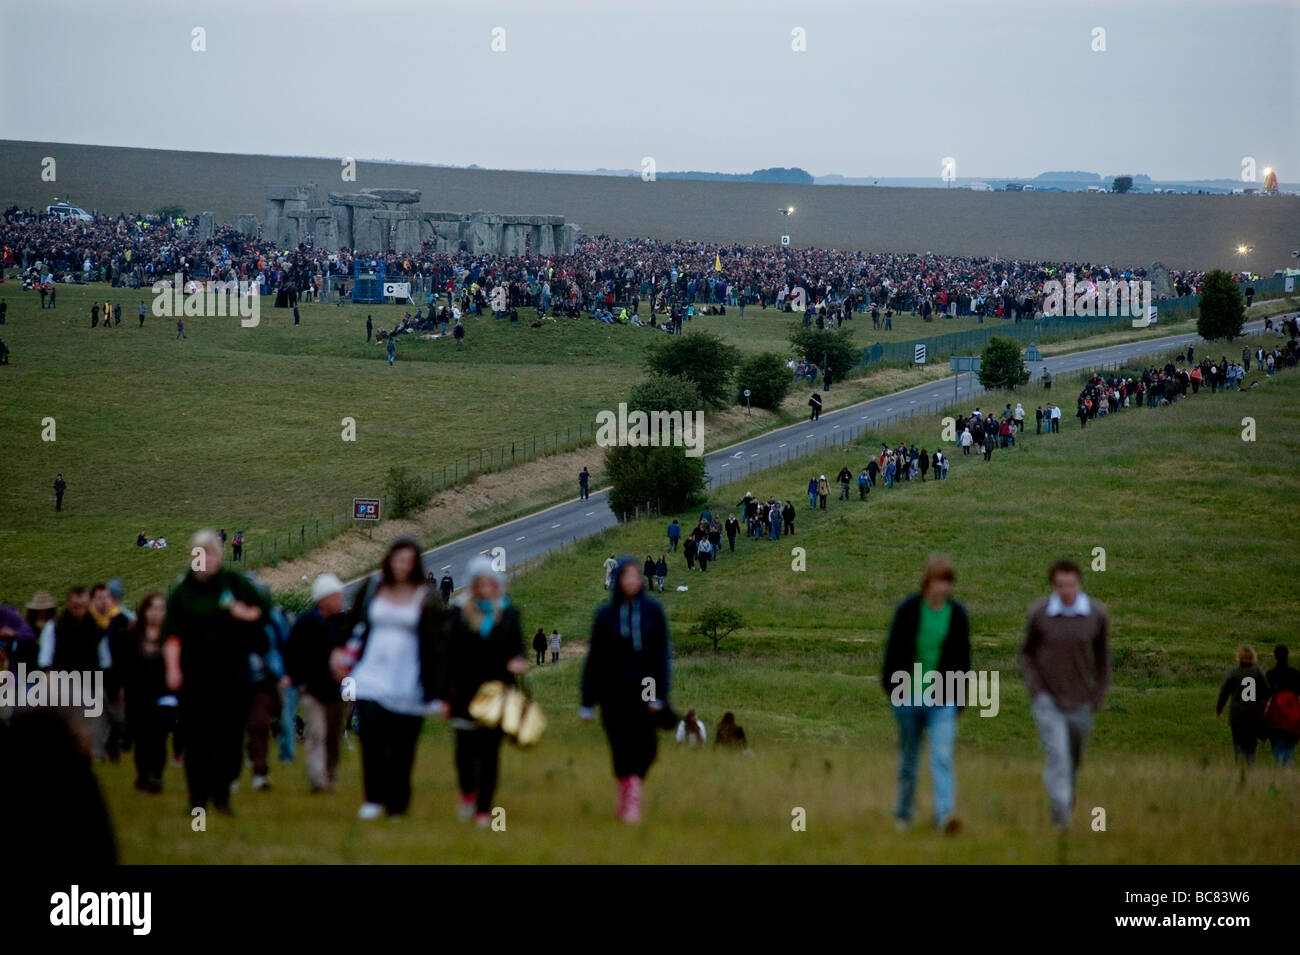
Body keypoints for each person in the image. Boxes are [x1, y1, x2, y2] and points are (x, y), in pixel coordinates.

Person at [334, 537, 445, 819]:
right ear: (389, 561)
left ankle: (398, 802)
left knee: (402, 745)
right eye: (398, 559)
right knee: (370, 737)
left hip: (409, 681)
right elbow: (352, 624)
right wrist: (341, 654)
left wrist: (439, 687)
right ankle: (372, 798)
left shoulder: (426, 596)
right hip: (370, 676)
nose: (402, 566)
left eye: (408, 560)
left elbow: (437, 641)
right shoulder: (373, 589)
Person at [163, 530, 271, 816]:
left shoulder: (233, 584)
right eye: (200, 554)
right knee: (198, 739)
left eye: (211, 554)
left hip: (233, 674)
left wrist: (244, 614)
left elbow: (263, 608)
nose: (205, 560)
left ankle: (222, 795)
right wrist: (173, 669)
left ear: (219, 557)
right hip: (195, 676)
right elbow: (171, 635)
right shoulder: (182, 591)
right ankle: (197, 800)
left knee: (230, 737)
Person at [580, 557, 674, 823]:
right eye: (626, 577)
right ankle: (629, 792)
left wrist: (658, 694)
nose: (631, 581)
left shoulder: (653, 612)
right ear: (619, 581)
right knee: (620, 744)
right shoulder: (605, 616)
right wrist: (587, 701)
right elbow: (594, 660)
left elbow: (660, 656)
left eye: (635, 577)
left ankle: (632, 781)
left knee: (647, 747)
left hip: (645, 687)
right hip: (613, 690)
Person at [1019, 559, 1110, 831]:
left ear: (1079, 583)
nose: (1065, 589)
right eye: (1060, 584)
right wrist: (1036, 690)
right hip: (1048, 700)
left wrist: (1097, 696)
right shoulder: (1040, 613)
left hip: (1082, 701)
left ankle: (1063, 803)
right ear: (1053, 585)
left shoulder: (1095, 614)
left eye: (1070, 584)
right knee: (1058, 757)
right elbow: (1026, 653)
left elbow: (1104, 659)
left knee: (1072, 761)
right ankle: (1061, 821)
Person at [881, 556, 970, 833]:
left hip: (943, 697)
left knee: (942, 756)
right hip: (907, 695)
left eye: (947, 582)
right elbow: (893, 650)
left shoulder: (957, 614)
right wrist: (892, 689)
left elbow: (963, 658)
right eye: (937, 581)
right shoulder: (908, 609)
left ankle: (945, 816)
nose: (942, 588)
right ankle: (904, 814)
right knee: (909, 758)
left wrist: (961, 697)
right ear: (926, 581)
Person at [437, 555, 527, 826]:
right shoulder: (458, 612)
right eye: (480, 583)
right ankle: (467, 793)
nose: (485, 588)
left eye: (490, 582)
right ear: (473, 585)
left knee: (490, 754)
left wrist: (518, 661)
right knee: (465, 752)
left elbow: (518, 647)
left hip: (498, 693)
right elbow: (447, 656)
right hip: (464, 693)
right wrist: (444, 697)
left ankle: (483, 810)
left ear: (497, 584)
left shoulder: (509, 612)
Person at [284, 573, 349, 793]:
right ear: (323, 599)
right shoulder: (306, 624)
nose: (340, 600)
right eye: (336, 596)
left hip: (339, 692)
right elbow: (291, 652)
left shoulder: (344, 624)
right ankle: (317, 779)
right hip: (312, 690)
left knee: (333, 736)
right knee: (317, 733)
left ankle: (329, 774)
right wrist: (294, 679)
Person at [121, 593, 175, 794]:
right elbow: (123, 666)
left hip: (164, 695)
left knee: (159, 737)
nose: (156, 613)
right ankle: (143, 775)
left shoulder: (170, 637)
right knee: (142, 739)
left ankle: (157, 776)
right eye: (152, 608)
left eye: (161, 609)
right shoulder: (131, 635)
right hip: (138, 696)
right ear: (144, 611)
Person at [1216, 645, 1271, 767]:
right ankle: (1250, 767)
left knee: (1238, 742)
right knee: (1251, 743)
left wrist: (1219, 709)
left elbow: (1224, 692)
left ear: (1239, 656)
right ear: (1253, 657)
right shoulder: (1257, 671)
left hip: (1237, 714)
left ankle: (1240, 768)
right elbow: (1267, 691)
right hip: (1253, 714)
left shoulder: (1234, 672)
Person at [1264, 645, 1300, 766]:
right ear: (1287, 656)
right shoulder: (1296, 674)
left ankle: (1279, 776)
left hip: (1276, 716)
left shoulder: (1271, 674)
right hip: (1292, 717)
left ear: (1275, 657)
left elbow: (1267, 697)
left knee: (1278, 747)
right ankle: (1288, 774)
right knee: (1290, 749)